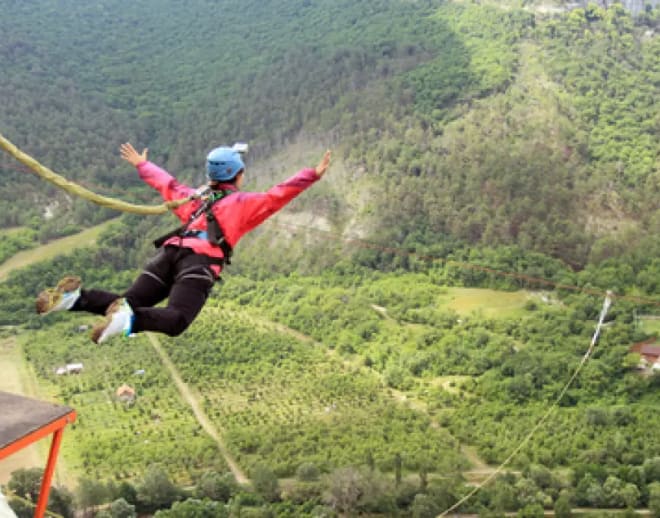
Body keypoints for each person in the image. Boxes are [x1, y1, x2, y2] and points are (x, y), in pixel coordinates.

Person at [36, 142, 332, 343]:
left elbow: (167, 184)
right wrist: (312, 175)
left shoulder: (194, 197)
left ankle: (71, 300)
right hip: (198, 263)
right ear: (238, 175)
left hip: (168, 255)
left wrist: (143, 165)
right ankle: (129, 321)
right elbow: (277, 195)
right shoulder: (243, 203)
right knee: (175, 320)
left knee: (127, 301)